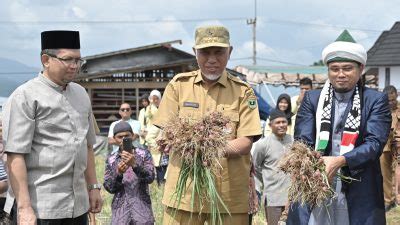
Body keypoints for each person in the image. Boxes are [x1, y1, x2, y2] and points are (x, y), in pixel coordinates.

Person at [153, 25, 262, 225]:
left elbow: (246, 141)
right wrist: (191, 144)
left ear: (230, 52)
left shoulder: (243, 92)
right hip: (184, 194)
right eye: (205, 52)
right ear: (195, 53)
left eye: (219, 52)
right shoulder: (178, 86)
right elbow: (167, 132)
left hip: (229, 199)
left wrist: (208, 148)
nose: (212, 59)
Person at [287, 30, 391, 225]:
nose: (340, 74)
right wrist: (312, 161)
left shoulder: (376, 100)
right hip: (317, 182)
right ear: (328, 70)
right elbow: (303, 140)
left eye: (347, 68)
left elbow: (374, 144)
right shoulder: (312, 98)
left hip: (358, 187)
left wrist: (339, 161)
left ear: (361, 69)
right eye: (334, 69)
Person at [2, 30, 102, 225]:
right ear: (46, 60)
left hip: (77, 206)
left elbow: (87, 145)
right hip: (41, 208)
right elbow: (15, 155)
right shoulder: (25, 96)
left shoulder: (81, 94)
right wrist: (24, 208)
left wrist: (93, 187)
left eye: (78, 60)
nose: (74, 66)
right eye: (67, 60)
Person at [104, 121, 155, 225]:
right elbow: (109, 188)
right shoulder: (111, 159)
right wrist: (118, 174)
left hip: (142, 212)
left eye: (127, 135)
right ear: (114, 139)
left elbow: (150, 177)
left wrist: (135, 165)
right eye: (120, 137)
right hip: (121, 215)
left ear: (132, 136)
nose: (123, 139)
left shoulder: (144, 154)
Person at [253, 109, 293, 225]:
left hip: (292, 199)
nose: (281, 125)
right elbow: (255, 168)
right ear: (270, 125)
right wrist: (263, 185)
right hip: (273, 198)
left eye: (284, 122)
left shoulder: (294, 141)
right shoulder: (263, 144)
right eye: (278, 122)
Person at [380, 85, 399, 211]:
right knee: (385, 174)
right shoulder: (380, 110)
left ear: (397, 96)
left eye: (393, 99)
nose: (391, 103)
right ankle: (388, 200)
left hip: (398, 145)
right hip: (384, 146)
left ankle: (398, 199)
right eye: (388, 100)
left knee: (398, 174)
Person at [145, 89, 168, 186]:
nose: (154, 100)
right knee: (160, 169)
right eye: (153, 98)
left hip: (164, 149)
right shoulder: (151, 109)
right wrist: (157, 145)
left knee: (164, 168)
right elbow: (149, 137)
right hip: (158, 147)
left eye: (157, 98)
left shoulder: (161, 109)